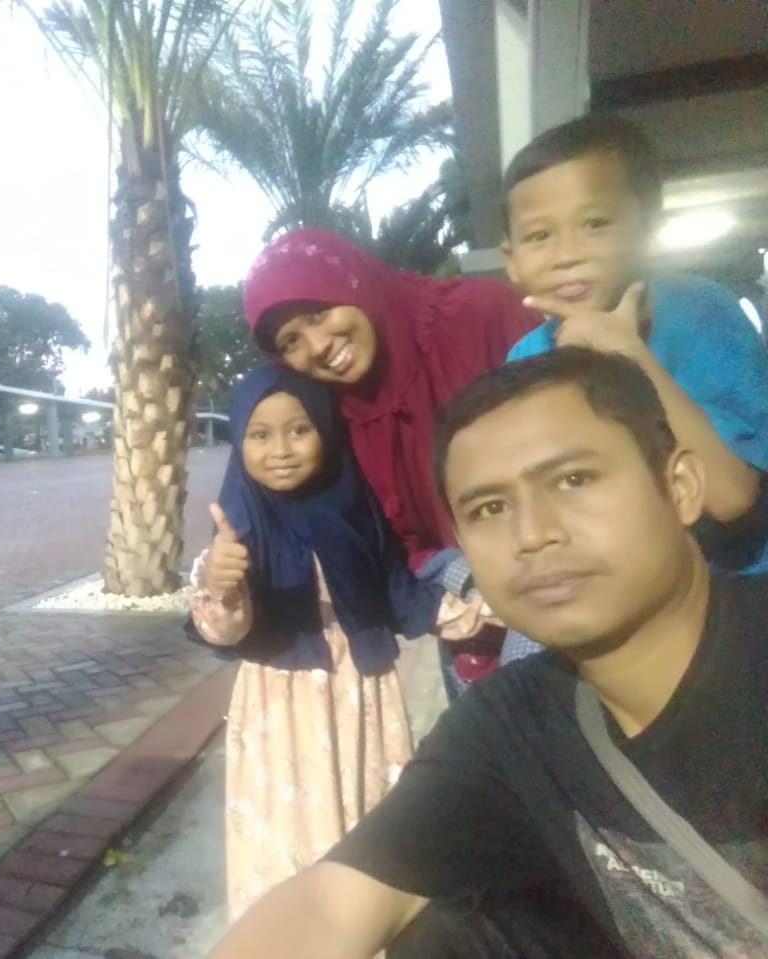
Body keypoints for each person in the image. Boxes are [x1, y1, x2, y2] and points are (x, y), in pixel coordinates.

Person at [207, 347, 768, 959]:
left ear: (680, 486)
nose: (533, 535)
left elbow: (397, 594)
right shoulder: (511, 722)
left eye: (574, 480)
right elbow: (332, 905)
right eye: (490, 509)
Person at [188, 365, 492, 921]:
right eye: (259, 435)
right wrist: (220, 586)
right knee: (288, 829)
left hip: (362, 692)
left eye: (299, 430)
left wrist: (477, 611)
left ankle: (365, 929)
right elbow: (227, 632)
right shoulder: (239, 525)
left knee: (367, 820)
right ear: (239, 441)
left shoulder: (353, 505)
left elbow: (397, 589)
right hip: (281, 704)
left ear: (326, 432)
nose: (281, 450)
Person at [499, 113, 768, 664]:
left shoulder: (699, 314)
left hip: (739, 594)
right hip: (628, 599)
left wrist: (627, 353)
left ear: (646, 229)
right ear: (512, 261)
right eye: (540, 235)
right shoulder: (525, 361)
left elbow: (731, 496)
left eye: (595, 224)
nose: (567, 253)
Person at [242, 228, 541, 697]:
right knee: (497, 719)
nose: (317, 346)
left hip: (554, 561)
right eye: (291, 340)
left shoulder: (479, 315)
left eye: (319, 313)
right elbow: (382, 546)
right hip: (463, 607)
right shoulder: (326, 418)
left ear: (354, 282)